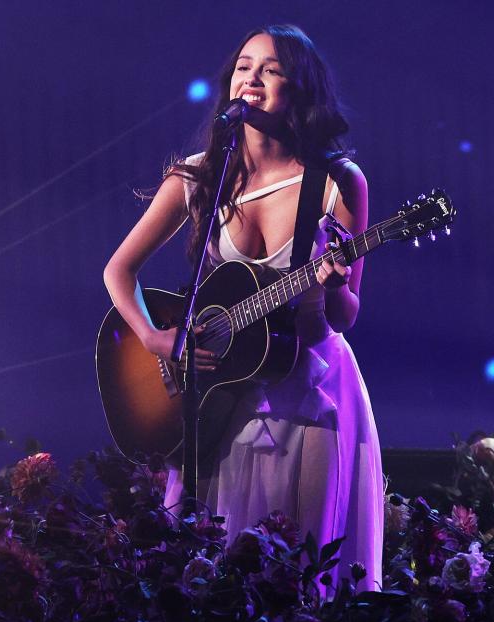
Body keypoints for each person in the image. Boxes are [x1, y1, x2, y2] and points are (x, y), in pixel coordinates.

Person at [103, 25, 383, 591]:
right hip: (222, 392)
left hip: (308, 388)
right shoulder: (199, 175)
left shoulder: (336, 182)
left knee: (300, 568)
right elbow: (119, 271)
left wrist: (327, 285)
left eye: (271, 69)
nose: (251, 78)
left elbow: (346, 314)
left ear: (299, 88)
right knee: (213, 562)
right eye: (243, 67)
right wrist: (158, 338)